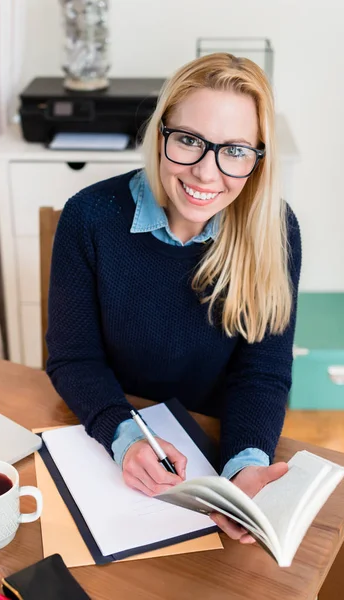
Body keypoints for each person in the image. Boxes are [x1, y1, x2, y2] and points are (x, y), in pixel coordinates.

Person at [46, 53, 301, 545]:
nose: (206, 173)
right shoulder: (89, 217)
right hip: (114, 425)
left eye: (235, 150)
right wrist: (122, 434)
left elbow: (262, 371)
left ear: (258, 158)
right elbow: (74, 358)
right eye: (188, 140)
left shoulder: (275, 229)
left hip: (214, 441)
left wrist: (246, 463)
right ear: (160, 134)